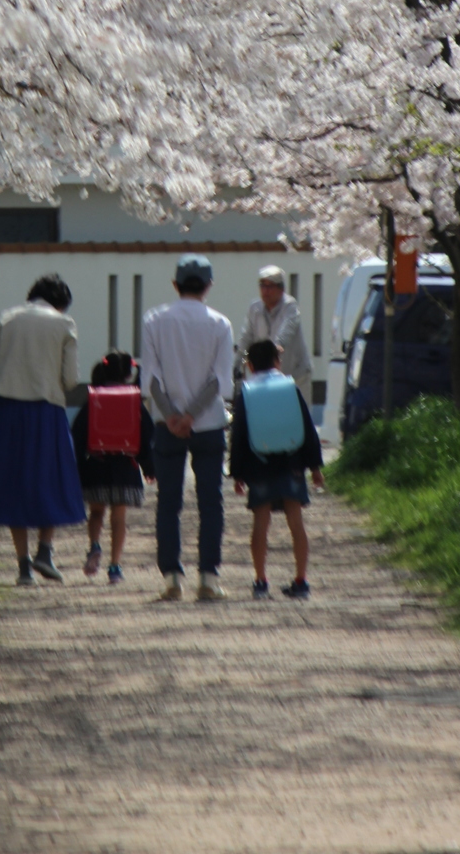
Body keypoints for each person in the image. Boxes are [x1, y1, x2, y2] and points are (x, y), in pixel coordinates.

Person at [0, 274, 84, 586]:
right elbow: (70, 379)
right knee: (50, 479)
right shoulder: (64, 323)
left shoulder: (7, 319)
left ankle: (23, 567)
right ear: (61, 302)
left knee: (14, 483)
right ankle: (45, 549)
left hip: (9, 411)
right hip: (47, 410)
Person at [138, 254, 234, 602]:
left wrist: (173, 416)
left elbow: (150, 378)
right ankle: (208, 577)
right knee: (211, 502)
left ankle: (171, 578)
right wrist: (192, 416)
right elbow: (220, 381)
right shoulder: (220, 323)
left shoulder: (154, 319)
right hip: (207, 424)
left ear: (176, 285)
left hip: (167, 424)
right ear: (208, 286)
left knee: (169, 502)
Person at [230, 339, 324, 599]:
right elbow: (306, 426)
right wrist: (315, 466)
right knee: (296, 522)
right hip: (291, 461)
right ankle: (301, 580)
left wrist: (237, 473)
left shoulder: (248, 392)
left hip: (259, 465)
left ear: (249, 365)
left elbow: (238, 436)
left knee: (261, 523)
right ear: (277, 362)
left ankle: (261, 581)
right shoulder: (289, 387)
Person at [70, 352, 156, 585]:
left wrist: (76, 469)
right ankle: (115, 566)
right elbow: (146, 434)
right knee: (119, 517)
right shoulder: (133, 400)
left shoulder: (93, 399)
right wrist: (149, 467)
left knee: (96, 512)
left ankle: (95, 545)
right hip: (125, 468)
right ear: (129, 374)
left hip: (96, 467)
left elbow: (77, 434)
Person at [234, 264, 313, 403]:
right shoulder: (255, 308)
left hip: (296, 377)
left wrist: (277, 346)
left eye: (270, 286)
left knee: (298, 420)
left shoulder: (290, 306)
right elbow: (246, 337)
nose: (265, 291)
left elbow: (288, 328)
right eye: (262, 286)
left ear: (281, 289)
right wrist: (236, 363)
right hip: (267, 380)